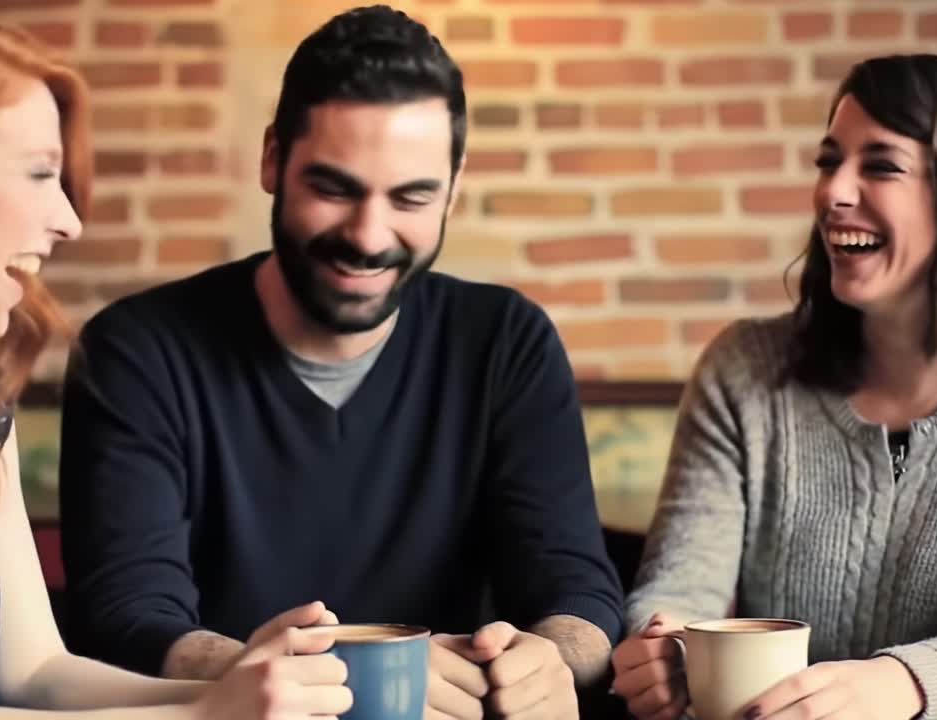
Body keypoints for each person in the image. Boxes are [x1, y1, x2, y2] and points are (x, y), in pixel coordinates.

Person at [57, 4, 623, 718]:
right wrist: (354, 681)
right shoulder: (135, 352)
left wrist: (555, 660)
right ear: (272, 160)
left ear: (454, 187)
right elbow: (125, 620)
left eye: (412, 197)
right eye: (334, 189)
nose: (368, 235)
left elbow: (580, 596)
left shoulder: (508, 341)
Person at [0, 6, 354, 718]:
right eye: (41, 173)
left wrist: (240, 688)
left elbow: (37, 674)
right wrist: (202, 717)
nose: (70, 220)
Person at [610, 54, 937, 720]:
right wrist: (662, 646)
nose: (832, 192)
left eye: (880, 165)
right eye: (828, 160)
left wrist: (894, 686)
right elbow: (681, 587)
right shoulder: (743, 369)